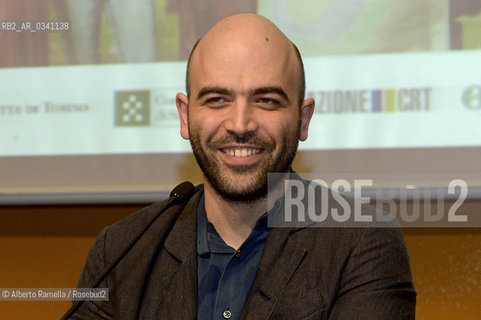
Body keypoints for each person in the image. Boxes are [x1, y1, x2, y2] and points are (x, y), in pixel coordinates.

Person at [71, 13, 416, 319]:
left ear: (303, 118)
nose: (240, 123)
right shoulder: (121, 252)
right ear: (185, 116)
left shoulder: (361, 243)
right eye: (217, 99)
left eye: (266, 100)